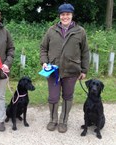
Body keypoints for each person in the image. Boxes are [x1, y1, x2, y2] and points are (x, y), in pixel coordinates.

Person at [40, 3, 89, 133]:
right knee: (53, 97)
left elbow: (85, 52)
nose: (65, 17)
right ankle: (53, 120)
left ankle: (63, 121)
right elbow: (43, 48)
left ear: (72, 15)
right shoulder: (51, 30)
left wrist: (84, 70)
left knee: (67, 96)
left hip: (72, 71)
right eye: (63, 14)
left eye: (68, 14)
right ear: (60, 16)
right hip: (53, 71)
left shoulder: (80, 31)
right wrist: (44, 61)